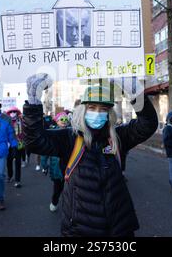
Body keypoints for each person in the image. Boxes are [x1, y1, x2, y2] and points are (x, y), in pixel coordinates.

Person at [23, 74, 158, 237]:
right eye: (92, 107)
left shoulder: (117, 137)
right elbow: (35, 141)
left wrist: (136, 94)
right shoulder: (69, 138)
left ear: (109, 113)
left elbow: (148, 125)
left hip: (119, 227)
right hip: (81, 229)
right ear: (83, 109)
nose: (97, 113)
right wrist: (33, 102)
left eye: (103, 109)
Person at [40, 112, 70, 212]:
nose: (64, 122)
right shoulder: (52, 134)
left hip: (70, 167)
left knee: (70, 189)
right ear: (57, 121)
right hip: (56, 167)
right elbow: (45, 150)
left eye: (66, 120)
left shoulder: (72, 133)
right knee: (58, 188)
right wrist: (44, 164)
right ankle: (54, 201)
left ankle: (69, 208)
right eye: (62, 119)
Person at [6, 107, 24, 188]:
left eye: (14, 111)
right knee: (9, 160)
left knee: (18, 162)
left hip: (17, 143)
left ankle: (17, 180)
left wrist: (22, 139)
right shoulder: (6, 121)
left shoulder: (20, 121)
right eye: (11, 111)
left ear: (17, 113)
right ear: (9, 113)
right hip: (8, 144)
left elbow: (24, 131)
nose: (13, 113)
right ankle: (10, 176)